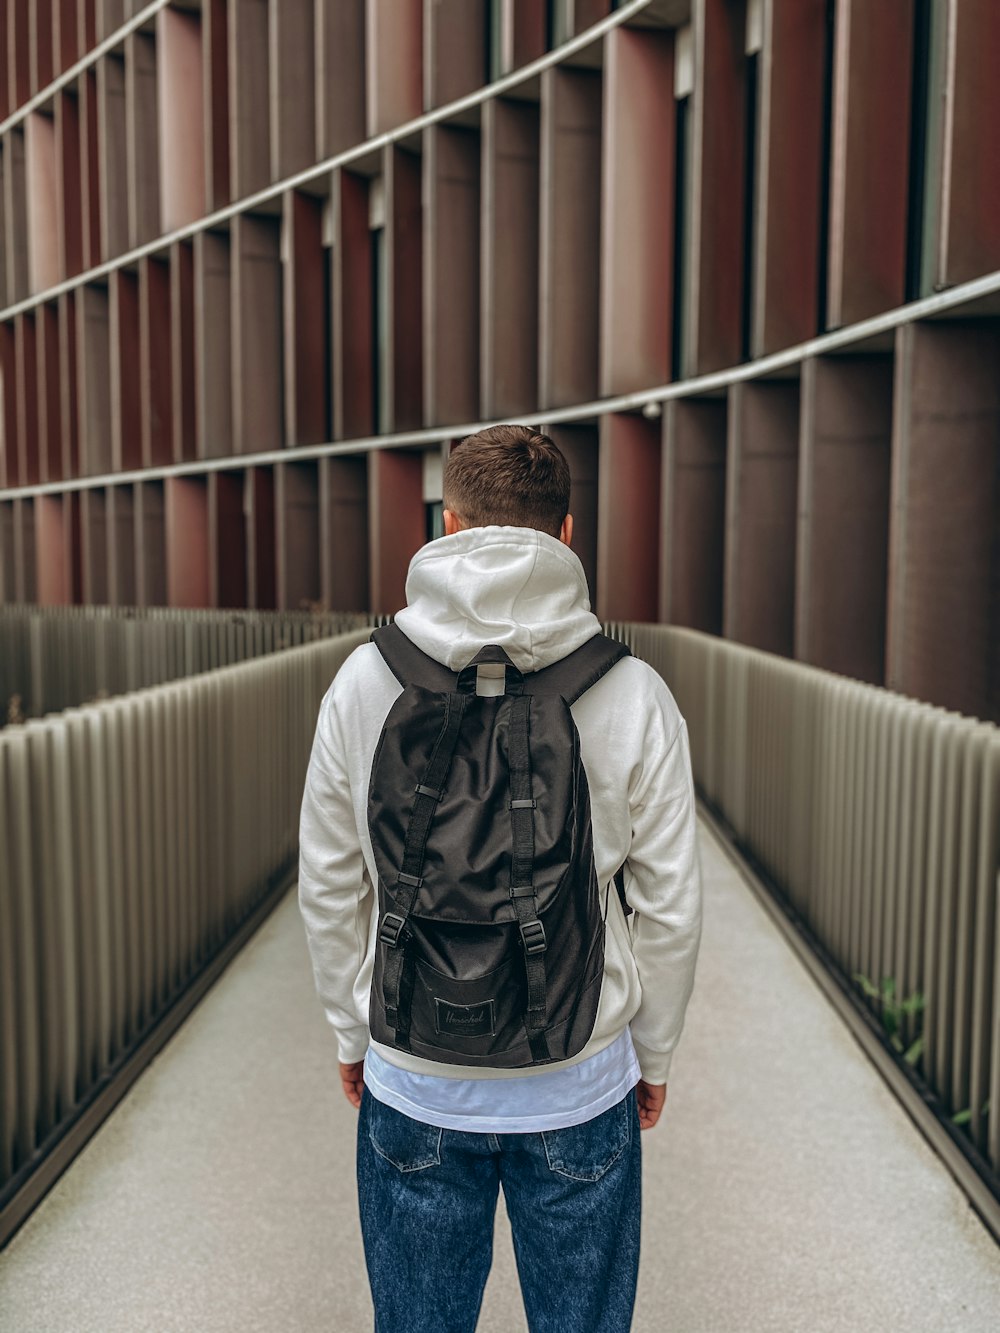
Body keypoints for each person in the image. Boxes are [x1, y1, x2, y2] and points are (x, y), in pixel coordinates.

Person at [298, 424, 702, 1332]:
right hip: (580, 1077)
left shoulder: (365, 680)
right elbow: (670, 902)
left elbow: (329, 882)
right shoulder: (631, 690)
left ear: (446, 523)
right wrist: (656, 1049)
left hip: (414, 1076)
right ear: (566, 534)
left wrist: (351, 1026)